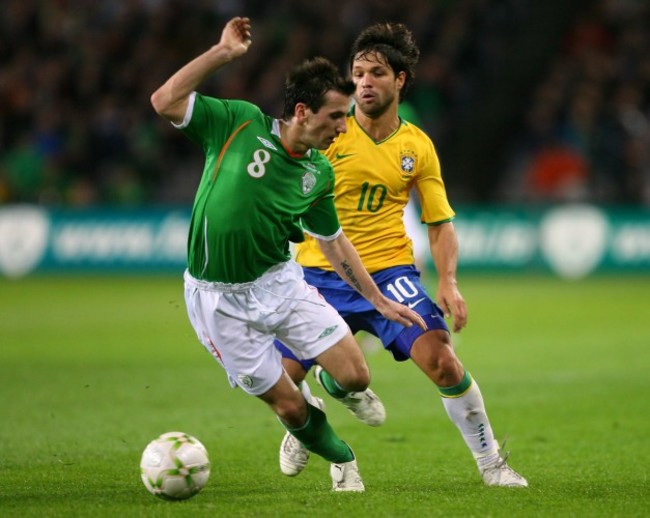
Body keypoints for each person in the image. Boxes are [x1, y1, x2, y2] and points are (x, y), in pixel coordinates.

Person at [149, 17, 426, 493]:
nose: (344, 127)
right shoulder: (237, 122)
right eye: (336, 117)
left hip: (280, 283)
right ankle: (343, 459)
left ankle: (337, 392)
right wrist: (222, 53)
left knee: (356, 375)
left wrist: (379, 301)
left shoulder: (318, 173)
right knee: (291, 408)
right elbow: (164, 101)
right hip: (217, 301)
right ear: (302, 111)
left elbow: (334, 242)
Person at [276, 22, 528, 488]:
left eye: (376, 73)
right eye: (357, 74)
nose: (365, 83)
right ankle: (311, 417)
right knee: (279, 381)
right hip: (316, 275)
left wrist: (448, 281)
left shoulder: (417, 146)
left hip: (390, 273)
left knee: (444, 361)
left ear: (400, 80)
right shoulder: (329, 131)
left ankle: (493, 465)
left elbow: (439, 221)